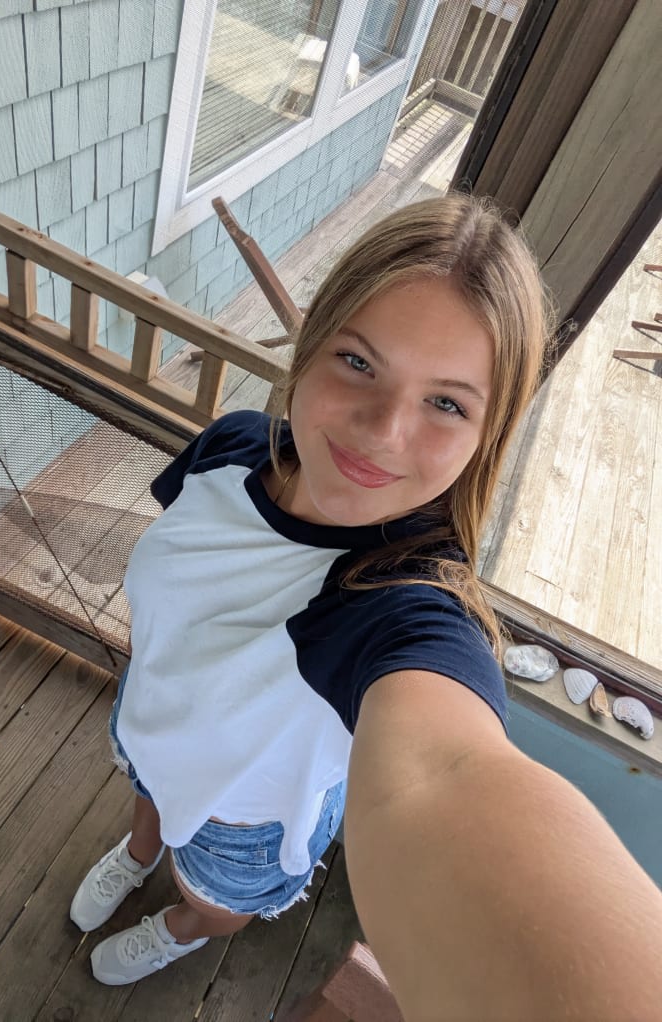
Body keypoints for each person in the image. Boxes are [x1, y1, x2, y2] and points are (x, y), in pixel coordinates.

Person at [70, 193, 662, 1015]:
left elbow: (449, 771)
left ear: (486, 436)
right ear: (310, 347)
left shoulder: (400, 605)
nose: (384, 430)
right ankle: (138, 854)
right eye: (357, 360)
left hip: (244, 818)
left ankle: (182, 927)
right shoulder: (230, 448)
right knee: (148, 796)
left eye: (447, 403)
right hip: (147, 722)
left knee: (212, 897)